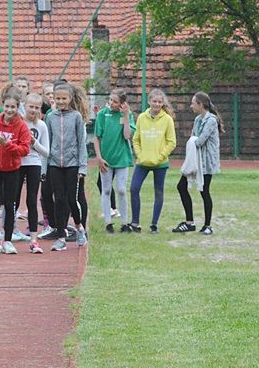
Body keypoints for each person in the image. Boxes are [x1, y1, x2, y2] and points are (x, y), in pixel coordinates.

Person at [0, 89, 31, 255]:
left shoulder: (21, 126)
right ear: (2, 105)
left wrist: (7, 145)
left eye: (13, 107)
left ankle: (8, 240)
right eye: (7, 106)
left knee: (10, 205)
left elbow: (24, 150)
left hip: (12, 170)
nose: (10, 110)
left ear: (18, 108)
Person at [45, 81, 89, 251]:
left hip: (73, 165)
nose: (61, 101)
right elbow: (48, 143)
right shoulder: (50, 117)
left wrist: (82, 167)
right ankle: (61, 236)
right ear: (54, 99)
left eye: (64, 98)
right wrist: (45, 167)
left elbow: (81, 144)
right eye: (58, 98)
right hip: (55, 164)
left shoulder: (76, 117)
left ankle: (79, 228)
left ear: (70, 99)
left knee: (72, 199)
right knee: (59, 201)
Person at [173, 92, 223, 235]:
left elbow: (199, 141)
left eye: (193, 103)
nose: (191, 106)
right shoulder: (197, 120)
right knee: (181, 186)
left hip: (206, 163)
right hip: (195, 160)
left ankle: (207, 226)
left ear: (201, 105)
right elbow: (194, 139)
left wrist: (193, 141)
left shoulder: (211, 120)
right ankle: (189, 223)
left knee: (204, 191)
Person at [129, 88, 176, 234]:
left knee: (159, 192)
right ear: (149, 101)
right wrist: (139, 154)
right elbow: (136, 139)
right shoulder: (142, 117)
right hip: (143, 162)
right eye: (154, 101)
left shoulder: (167, 119)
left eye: (159, 102)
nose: (156, 104)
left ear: (163, 103)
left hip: (160, 163)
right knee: (134, 188)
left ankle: (154, 224)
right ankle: (135, 222)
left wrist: (161, 156)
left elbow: (171, 142)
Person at [93, 89, 136, 233]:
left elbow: (127, 136)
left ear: (122, 104)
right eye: (110, 100)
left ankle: (124, 223)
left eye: (115, 101)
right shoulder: (102, 114)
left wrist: (125, 116)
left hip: (122, 158)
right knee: (106, 189)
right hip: (106, 159)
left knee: (122, 190)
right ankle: (108, 222)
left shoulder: (127, 115)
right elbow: (97, 137)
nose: (111, 103)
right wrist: (99, 157)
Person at [21, 93, 50, 254]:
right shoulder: (19, 122)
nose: (33, 110)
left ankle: (34, 239)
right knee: (12, 200)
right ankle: (7, 236)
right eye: (31, 106)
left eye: (37, 108)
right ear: (25, 106)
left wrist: (34, 143)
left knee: (32, 200)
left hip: (33, 163)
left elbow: (46, 152)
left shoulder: (42, 126)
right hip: (17, 163)